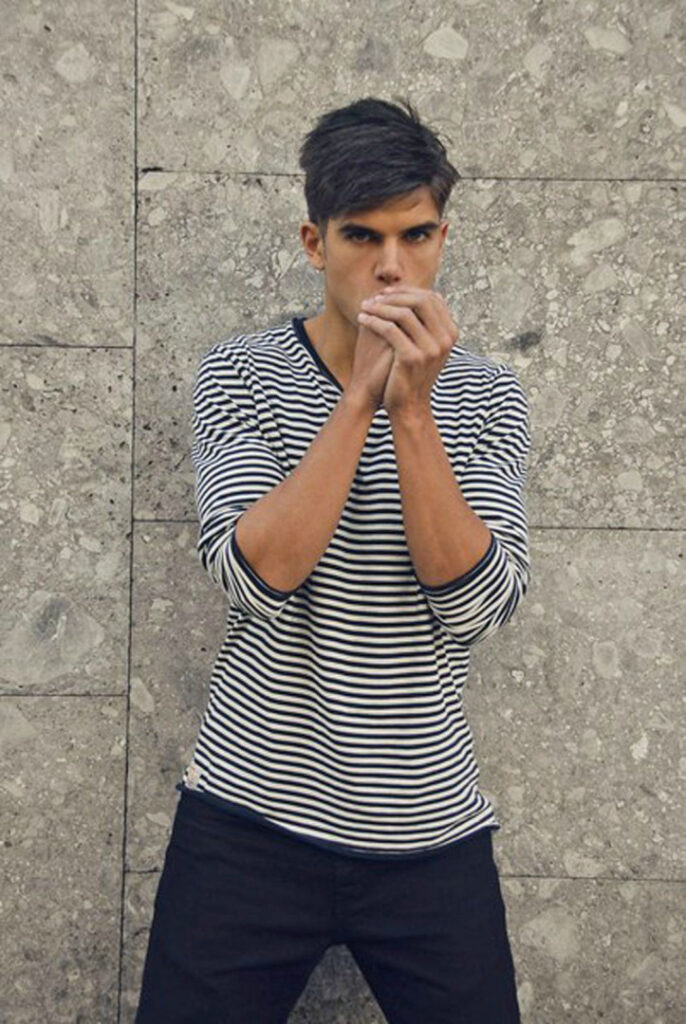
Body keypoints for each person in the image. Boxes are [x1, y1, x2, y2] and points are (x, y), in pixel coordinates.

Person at [135, 95, 530, 1023]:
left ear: (442, 238)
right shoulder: (240, 373)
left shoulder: (487, 397)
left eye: (415, 234)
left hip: (428, 829)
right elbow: (255, 577)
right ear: (315, 243)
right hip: (249, 821)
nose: (392, 265)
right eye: (362, 236)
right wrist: (357, 400)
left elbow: (477, 608)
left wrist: (412, 411)